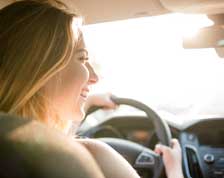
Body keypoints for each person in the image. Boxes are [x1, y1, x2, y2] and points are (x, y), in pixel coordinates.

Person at [0, 1, 184, 178]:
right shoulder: (92, 157)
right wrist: (174, 171)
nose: (94, 77)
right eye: (82, 59)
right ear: (39, 69)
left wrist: (88, 100)